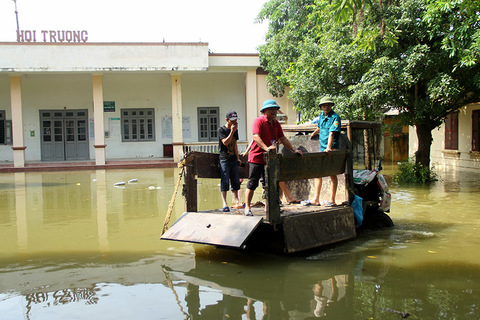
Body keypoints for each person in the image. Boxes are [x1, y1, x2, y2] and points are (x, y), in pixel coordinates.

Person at [244, 99, 303, 216]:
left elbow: (283, 138)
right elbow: (256, 137)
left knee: (269, 183)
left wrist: (293, 149)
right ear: (264, 111)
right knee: (252, 183)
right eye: (271, 109)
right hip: (257, 158)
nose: (274, 112)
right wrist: (267, 148)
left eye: (275, 109)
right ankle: (247, 207)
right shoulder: (258, 121)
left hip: (270, 160)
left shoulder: (276, 124)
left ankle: (270, 207)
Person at [310, 96, 341, 206]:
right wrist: (314, 133)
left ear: (331, 106)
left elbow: (332, 133)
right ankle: (316, 199)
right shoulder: (322, 116)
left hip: (331, 149)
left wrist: (329, 147)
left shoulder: (335, 117)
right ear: (321, 107)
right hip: (321, 148)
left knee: (332, 173)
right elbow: (320, 127)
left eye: (328, 105)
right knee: (318, 173)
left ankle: (332, 199)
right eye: (324, 105)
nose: (326, 107)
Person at [218, 110, 243, 212]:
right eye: (232, 120)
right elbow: (226, 143)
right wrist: (232, 131)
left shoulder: (235, 130)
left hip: (233, 159)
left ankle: (237, 200)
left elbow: (235, 145)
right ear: (227, 120)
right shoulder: (221, 130)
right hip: (224, 159)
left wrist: (238, 158)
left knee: (236, 180)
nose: (234, 122)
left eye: (236, 120)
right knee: (225, 180)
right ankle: (225, 202)